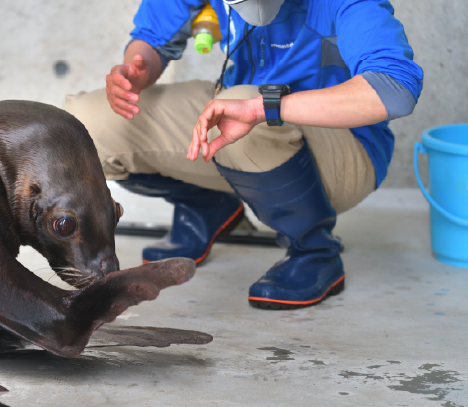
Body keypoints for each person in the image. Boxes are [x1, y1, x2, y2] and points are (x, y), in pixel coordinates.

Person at [63, 0, 423, 310]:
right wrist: (136, 70)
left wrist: (264, 108)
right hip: (243, 118)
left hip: (344, 153)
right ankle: (208, 206)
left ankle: (314, 250)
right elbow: (152, 39)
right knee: (82, 128)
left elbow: (395, 89)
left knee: (243, 106)